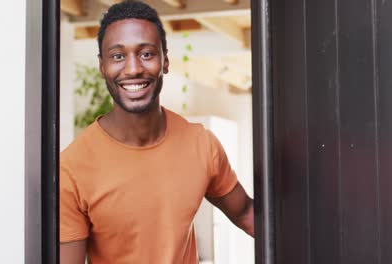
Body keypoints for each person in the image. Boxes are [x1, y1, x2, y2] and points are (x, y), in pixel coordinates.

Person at [59, 1, 254, 263]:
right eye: (118, 56)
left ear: (165, 61)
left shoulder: (200, 143)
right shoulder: (71, 168)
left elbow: (245, 214)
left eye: (147, 54)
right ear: (102, 66)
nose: (133, 69)